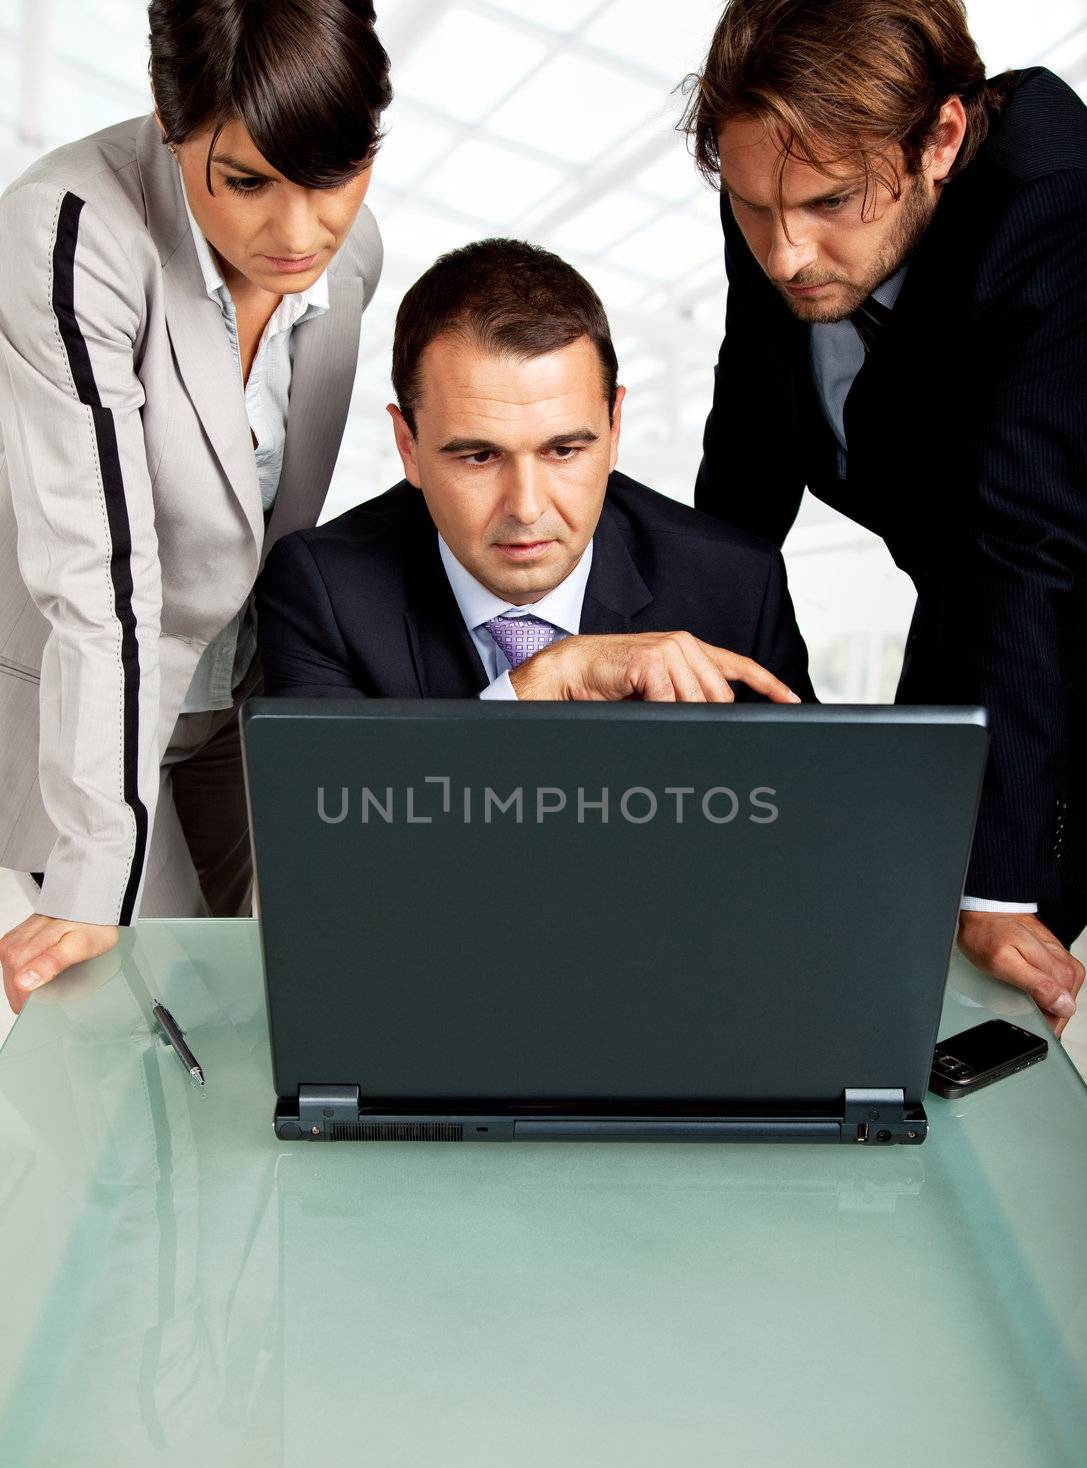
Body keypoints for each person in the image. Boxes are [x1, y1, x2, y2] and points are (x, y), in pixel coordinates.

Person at [682, 0, 1087, 1035]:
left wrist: (995, 884)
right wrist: (690, 715)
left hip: (1055, 621)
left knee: (1003, 990)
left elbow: (1029, 550)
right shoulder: (782, 188)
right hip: (967, 607)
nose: (783, 254)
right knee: (887, 956)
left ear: (940, 138)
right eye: (753, 208)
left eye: (827, 203)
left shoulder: (1057, 209)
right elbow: (745, 468)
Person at [0, 0, 391, 1014]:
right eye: (246, 181)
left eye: (333, 177)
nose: (298, 230)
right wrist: (93, 868)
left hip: (238, 695)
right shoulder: (70, 233)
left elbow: (280, 524)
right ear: (171, 129)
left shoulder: (352, 257)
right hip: (84, 707)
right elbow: (100, 578)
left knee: (285, 996)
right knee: (150, 1019)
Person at [255, 239, 813, 711]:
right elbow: (338, 827)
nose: (526, 508)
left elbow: (805, 816)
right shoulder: (323, 590)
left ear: (614, 428)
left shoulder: (736, 585)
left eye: (564, 450)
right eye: (478, 457)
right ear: (408, 446)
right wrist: (543, 682)